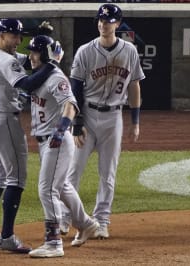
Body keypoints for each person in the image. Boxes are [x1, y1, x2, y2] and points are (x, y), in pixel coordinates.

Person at [0, 18, 63, 253]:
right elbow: (28, 83)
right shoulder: (5, 61)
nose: (19, 41)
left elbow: (30, 60)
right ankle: (6, 237)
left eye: (20, 36)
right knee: (16, 179)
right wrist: (53, 64)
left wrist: (41, 39)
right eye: (14, 36)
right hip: (5, 122)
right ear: (1, 35)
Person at [61, 3, 145, 239]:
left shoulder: (129, 51)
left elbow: (134, 85)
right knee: (73, 169)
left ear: (117, 24)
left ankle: (102, 220)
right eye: (100, 20)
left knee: (108, 173)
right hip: (87, 114)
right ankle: (66, 217)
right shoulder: (85, 51)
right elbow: (75, 88)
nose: (103, 24)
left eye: (108, 21)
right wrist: (76, 122)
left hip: (114, 117)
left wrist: (135, 121)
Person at [23, 35, 99, 258]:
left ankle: (54, 242)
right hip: (45, 141)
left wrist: (62, 127)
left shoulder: (56, 78)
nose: (31, 56)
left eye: (35, 52)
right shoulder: (39, 76)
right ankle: (86, 224)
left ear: (45, 54)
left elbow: (70, 105)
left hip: (56, 139)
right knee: (63, 186)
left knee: (47, 190)